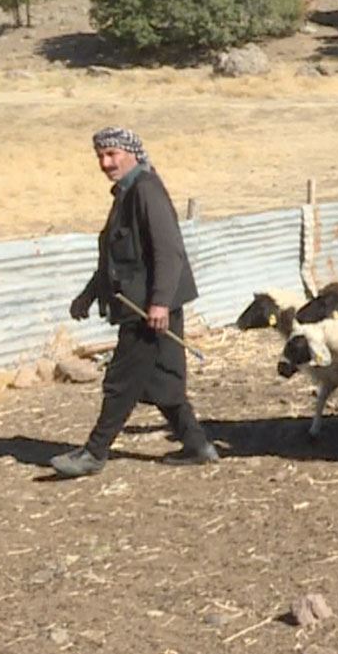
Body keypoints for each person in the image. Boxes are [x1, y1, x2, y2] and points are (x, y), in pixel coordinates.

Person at [49, 127, 219, 478]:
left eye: (112, 154)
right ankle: (198, 446)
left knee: (121, 381)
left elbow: (169, 252)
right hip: (146, 306)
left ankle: (94, 454)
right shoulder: (127, 194)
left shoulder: (145, 190)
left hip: (148, 311)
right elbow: (116, 260)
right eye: (100, 156)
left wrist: (159, 303)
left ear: (133, 154)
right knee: (164, 382)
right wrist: (89, 294)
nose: (105, 163)